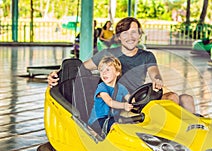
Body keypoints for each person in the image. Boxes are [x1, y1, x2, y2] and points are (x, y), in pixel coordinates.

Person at [48, 17, 196, 114]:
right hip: (119, 101)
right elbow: (82, 67)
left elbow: (154, 72)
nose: (130, 37)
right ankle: (168, 141)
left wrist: (157, 80)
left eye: (134, 33)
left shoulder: (146, 56)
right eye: (125, 33)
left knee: (186, 99)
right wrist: (56, 74)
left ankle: (193, 138)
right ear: (118, 37)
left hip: (139, 96)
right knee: (174, 98)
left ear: (139, 35)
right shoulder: (107, 54)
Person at [88, 56, 133, 136]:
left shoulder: (121, 87)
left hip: (112, 119)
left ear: (117, 72)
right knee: (117, 127)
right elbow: (110, 102)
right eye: (101, 70)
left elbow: (131, 99)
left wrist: (137, 103)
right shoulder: (101, 87)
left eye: (107, 70)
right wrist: (124, 105)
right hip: (98, 121)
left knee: (131, 122)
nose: (104, 73)